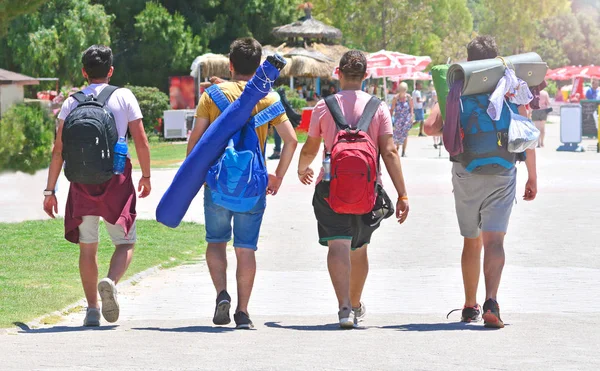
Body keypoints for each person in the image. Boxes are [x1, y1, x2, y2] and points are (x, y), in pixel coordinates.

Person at [425, 36, 538, 328]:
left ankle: (469, 305)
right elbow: (526, 133)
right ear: (497, 58)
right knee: (495, 240)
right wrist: (532, 177)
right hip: (503, 169)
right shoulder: (511, 84)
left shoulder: (457, 85)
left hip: (466, 171)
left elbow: (429, 128)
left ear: (469, 58)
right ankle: (491, 301)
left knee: (471, 241)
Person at [187, 38, 298, 329]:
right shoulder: (269, 98)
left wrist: (193, 175)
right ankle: (243, 312)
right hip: (253, 186)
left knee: (216, 242)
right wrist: (278, 176)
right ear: (260, 65)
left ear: (230, 64)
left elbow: (195, 140)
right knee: (245, 249)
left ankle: (221, 294)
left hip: (218, 184)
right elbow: (291, 140)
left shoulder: (212, 95)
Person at [297, 50, 410, 328]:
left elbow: (311, 146)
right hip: (368, 190)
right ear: (365, 76)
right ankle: (357, 304)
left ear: (338, 73)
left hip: (329, 186)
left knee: (338, 244)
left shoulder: (324, 107)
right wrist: (402, 193)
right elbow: (390, 152)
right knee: (359, 249)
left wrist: (302, 168)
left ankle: (344, 308)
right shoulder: (378, 107)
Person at [43, 45, 152, 327]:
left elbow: (58, 150)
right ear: (111, 71)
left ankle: (92, 309)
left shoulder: (71, 102)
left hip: (81, 182)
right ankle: (111, 281)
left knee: (87, 249)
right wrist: (146, 176)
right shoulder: (124, 96)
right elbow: (140, 139)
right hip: (116, 179)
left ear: (84, 72)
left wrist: (50, 190)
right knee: (125, 242)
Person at [269, 87, 302, 160]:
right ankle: (278, 152)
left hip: (278, 120)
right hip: (283, 120)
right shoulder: (284, 100)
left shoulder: (277, 98)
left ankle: (277, 152)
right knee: (287, 139)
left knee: (278, 136)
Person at [390, 82, 414, 157]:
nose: (403, 91)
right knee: (396, 135)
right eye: (401, 89)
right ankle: (397, 149)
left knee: (405, 135)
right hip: (398, 120)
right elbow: (392, 109)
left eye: (404, 89)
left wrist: (411, 116)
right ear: (399, 89)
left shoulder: (409, 98)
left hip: (406, 119)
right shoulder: (395, 98)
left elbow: (411, 108)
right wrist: (390, 118)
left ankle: (403, 152)